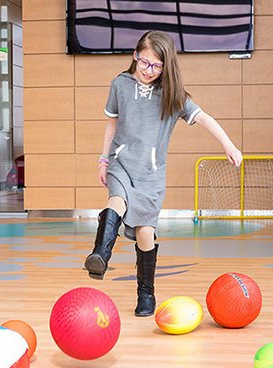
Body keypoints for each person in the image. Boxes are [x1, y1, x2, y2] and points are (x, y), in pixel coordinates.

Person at [84, 30, 243, 317]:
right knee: (115, 201)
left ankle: (146, 293)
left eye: (157, 66)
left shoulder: (172, 94)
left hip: (151, 174)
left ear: (166, 66)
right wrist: (103, 160)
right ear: (136, 55)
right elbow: (112, 124)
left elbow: (203, 117)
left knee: (145, 232)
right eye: (145, 63)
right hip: (121, 163)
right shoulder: (119, 84)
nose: (149, 71)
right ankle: (100, 254)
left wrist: (228, 144)